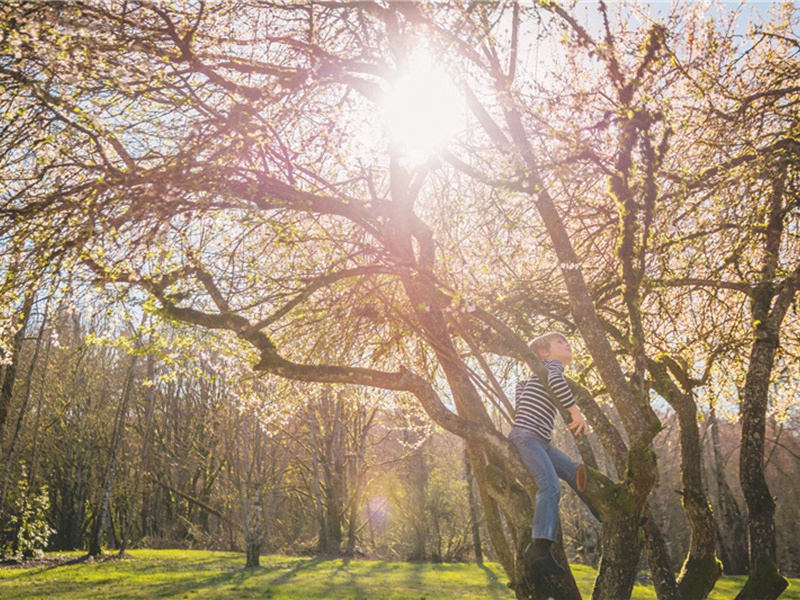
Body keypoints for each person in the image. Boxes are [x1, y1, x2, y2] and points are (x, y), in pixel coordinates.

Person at [509, 331, 593, 576]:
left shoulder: (539, 374)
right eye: (559, 342)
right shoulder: (551, 367)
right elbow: (557, 384)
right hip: (527, 437)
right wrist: (576, 413)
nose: (567, 344)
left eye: (567, 341)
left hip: (540, 440)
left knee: (576, 472)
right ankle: (539, 549)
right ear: (543, 353)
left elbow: (522, 389)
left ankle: (606, 514)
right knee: (550, 486)